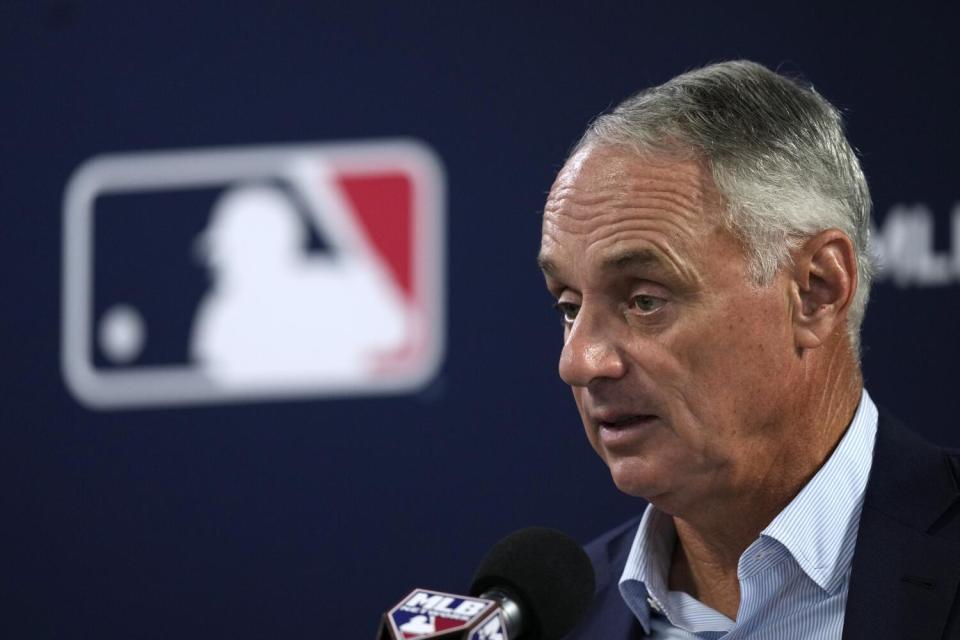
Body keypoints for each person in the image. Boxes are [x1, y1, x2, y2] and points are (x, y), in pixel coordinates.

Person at [538, 61, 960, 639]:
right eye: (568, 306)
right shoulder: (555, 620)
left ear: (816, 291)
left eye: (643, 300)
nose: (579, 361)